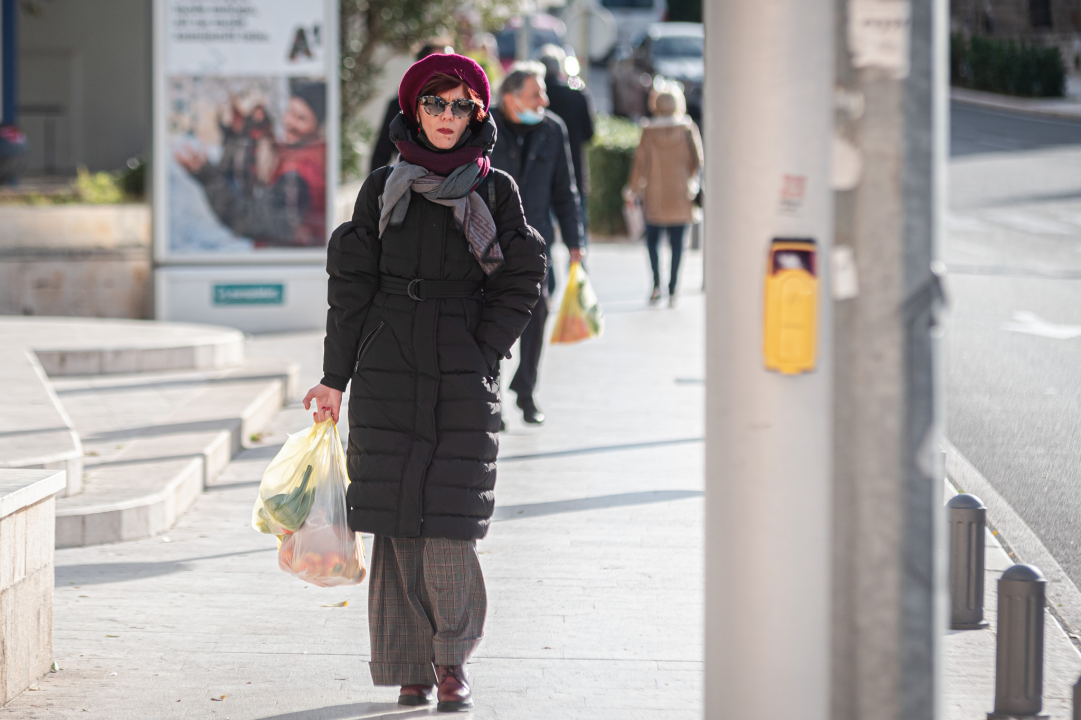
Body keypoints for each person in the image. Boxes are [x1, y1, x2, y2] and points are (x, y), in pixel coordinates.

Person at [302, 54, 546, 712]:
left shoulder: (495, 192)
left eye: (460, 105)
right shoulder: (384, 187)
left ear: (478, 113)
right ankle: (408, 665)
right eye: (434, 105)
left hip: (460, 375)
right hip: (386, 369)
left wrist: (483, 349)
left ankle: (450, 662)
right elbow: (350, 287)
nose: (446, 117)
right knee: (396, 525)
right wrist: (334, 378)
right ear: (413, 110)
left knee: (450, 523)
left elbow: (523, 275)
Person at [489, 61, 583, 425]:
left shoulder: (552, 130)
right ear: (511, 99)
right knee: (491, 315)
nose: (544, 99)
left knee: (537, 312)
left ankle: (526, 389)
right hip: (490, 241)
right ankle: (491, 394)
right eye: (535, 93)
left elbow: (566, 188)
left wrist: (575, 242)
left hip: (536, 240)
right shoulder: (487, 127)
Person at [175, 81, 327, 247]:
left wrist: (209, 179)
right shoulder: (303, 153)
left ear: (317, 126)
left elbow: (252, 221)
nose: (289, 122)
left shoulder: (296, 174)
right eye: (289, 112)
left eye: (301, 118)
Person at [625, 82, 703, 307]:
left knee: (653, 243)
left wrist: (633, 189)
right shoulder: (687, 129)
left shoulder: (648, 130)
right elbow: (697, 161)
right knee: (678, 244)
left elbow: (640, 164)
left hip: (654, 197)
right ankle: (673, 286)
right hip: (681, 196)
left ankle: (656, 283)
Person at [369, 43, 454, 174]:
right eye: (440, 62)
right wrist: (377, 188)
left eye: (451, 61)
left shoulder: (464, 105)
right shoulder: (399, 105)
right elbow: (382, 151)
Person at [538, 45, 595, 232]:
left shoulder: (535, 97)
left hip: (541, 166)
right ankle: (580, 258)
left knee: (542, 225)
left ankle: (547, 261)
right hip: (573, 165)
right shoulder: (577, 94)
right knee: (577, 221)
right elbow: (590, 133)